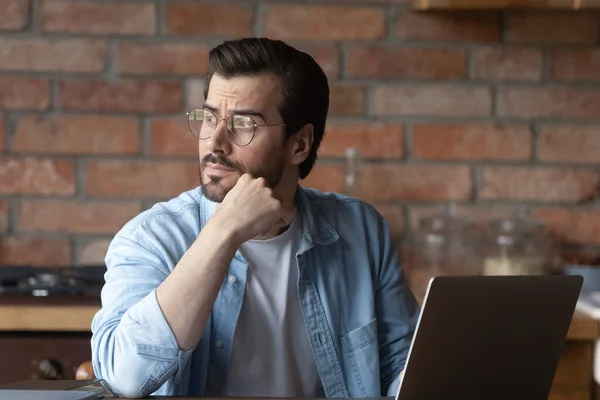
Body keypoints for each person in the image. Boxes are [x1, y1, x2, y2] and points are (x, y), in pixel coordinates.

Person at [91, 37, 420, 399]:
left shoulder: (361, 231)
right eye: (208, 117)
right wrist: (223, 232)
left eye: (243, 124)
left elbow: (400, 367)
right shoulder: (151, 238)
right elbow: (126, 378)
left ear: (300, 144)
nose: (214, 142)